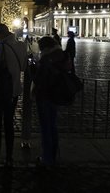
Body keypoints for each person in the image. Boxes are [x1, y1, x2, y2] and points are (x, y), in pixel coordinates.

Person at [0, 23, 27, 167]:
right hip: (14, 90)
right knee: (9, 124)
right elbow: (23, 67)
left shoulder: (1, 47)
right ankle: (9, 157)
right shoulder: (22, 45)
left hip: (0, 90)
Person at [32, 36, 67, 166]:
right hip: (56, 95)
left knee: (45, 127)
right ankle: (53, 154)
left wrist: (35, 67)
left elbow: (39, 79)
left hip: (45, 95)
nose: (40, 51)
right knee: (52, 126)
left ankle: (46, 158)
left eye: (41, 49)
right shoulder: (62, 55)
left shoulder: (46, 58)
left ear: (46, 48)